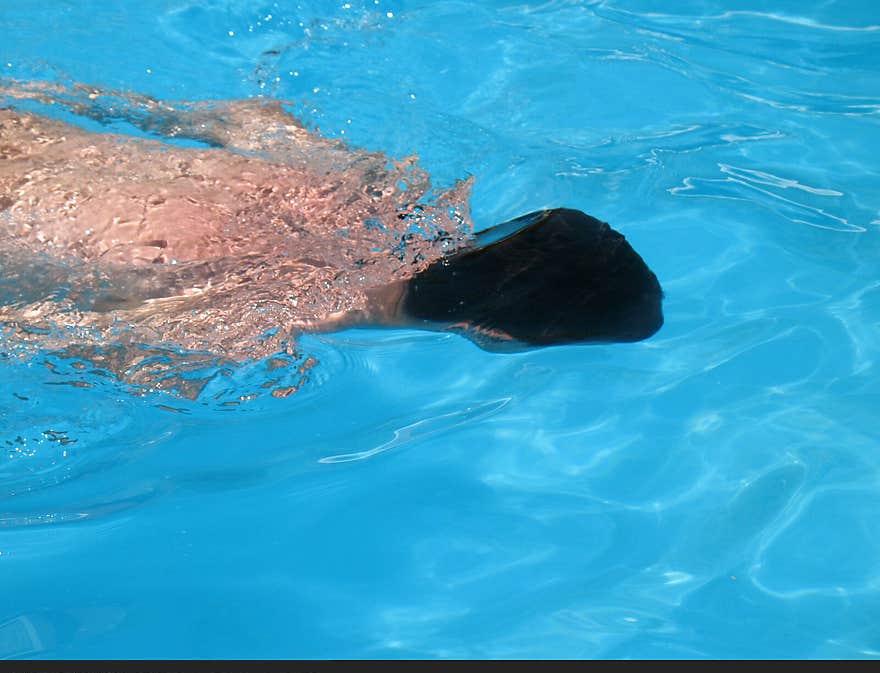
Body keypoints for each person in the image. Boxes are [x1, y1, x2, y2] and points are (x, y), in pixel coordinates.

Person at [0, 80, 662, 395]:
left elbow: (249, 116)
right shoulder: (257, 329)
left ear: (507, 229)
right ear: (498, 335)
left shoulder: (368, 182)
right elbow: (31, 331)